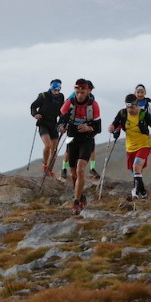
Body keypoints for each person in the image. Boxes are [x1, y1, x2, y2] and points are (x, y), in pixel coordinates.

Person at [59, 78, 102, 214]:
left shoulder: (93, 105)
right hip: (72, 138)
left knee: (80, 169)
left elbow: (98, 127)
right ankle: (81, 195)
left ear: (87, 91)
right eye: (77, 90)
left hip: (87, 139)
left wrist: (88, 128)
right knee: (73, 172)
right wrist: (61, 127)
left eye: (82, 91)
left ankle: (76, 202)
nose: (79, 93)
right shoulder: (69, 103)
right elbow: (61, 119)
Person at [108, 93, 151, 200]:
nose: (130, 110)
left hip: (143, 144)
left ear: (137, 105)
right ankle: (144, 193)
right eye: (128, 107)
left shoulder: (143, 114)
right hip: (130, 147)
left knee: (137, 166)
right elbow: (115, 123)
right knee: (136, 172)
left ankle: (135, 193)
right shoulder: (122, 113)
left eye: (132, 107)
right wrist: (112, 127)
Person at [29, 79, 65, 178]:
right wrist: (35, 114)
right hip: (43, 123)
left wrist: (63, 121)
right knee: (48, 145)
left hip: (54, 124)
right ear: (51, 88)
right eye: (55, 90)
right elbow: (33, 106)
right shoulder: (43, 96)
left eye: (58, 90)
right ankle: (45, 165)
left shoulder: (61, 97)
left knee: (54, 150)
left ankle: (49, 171)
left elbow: (62, 110)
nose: (56, 92)